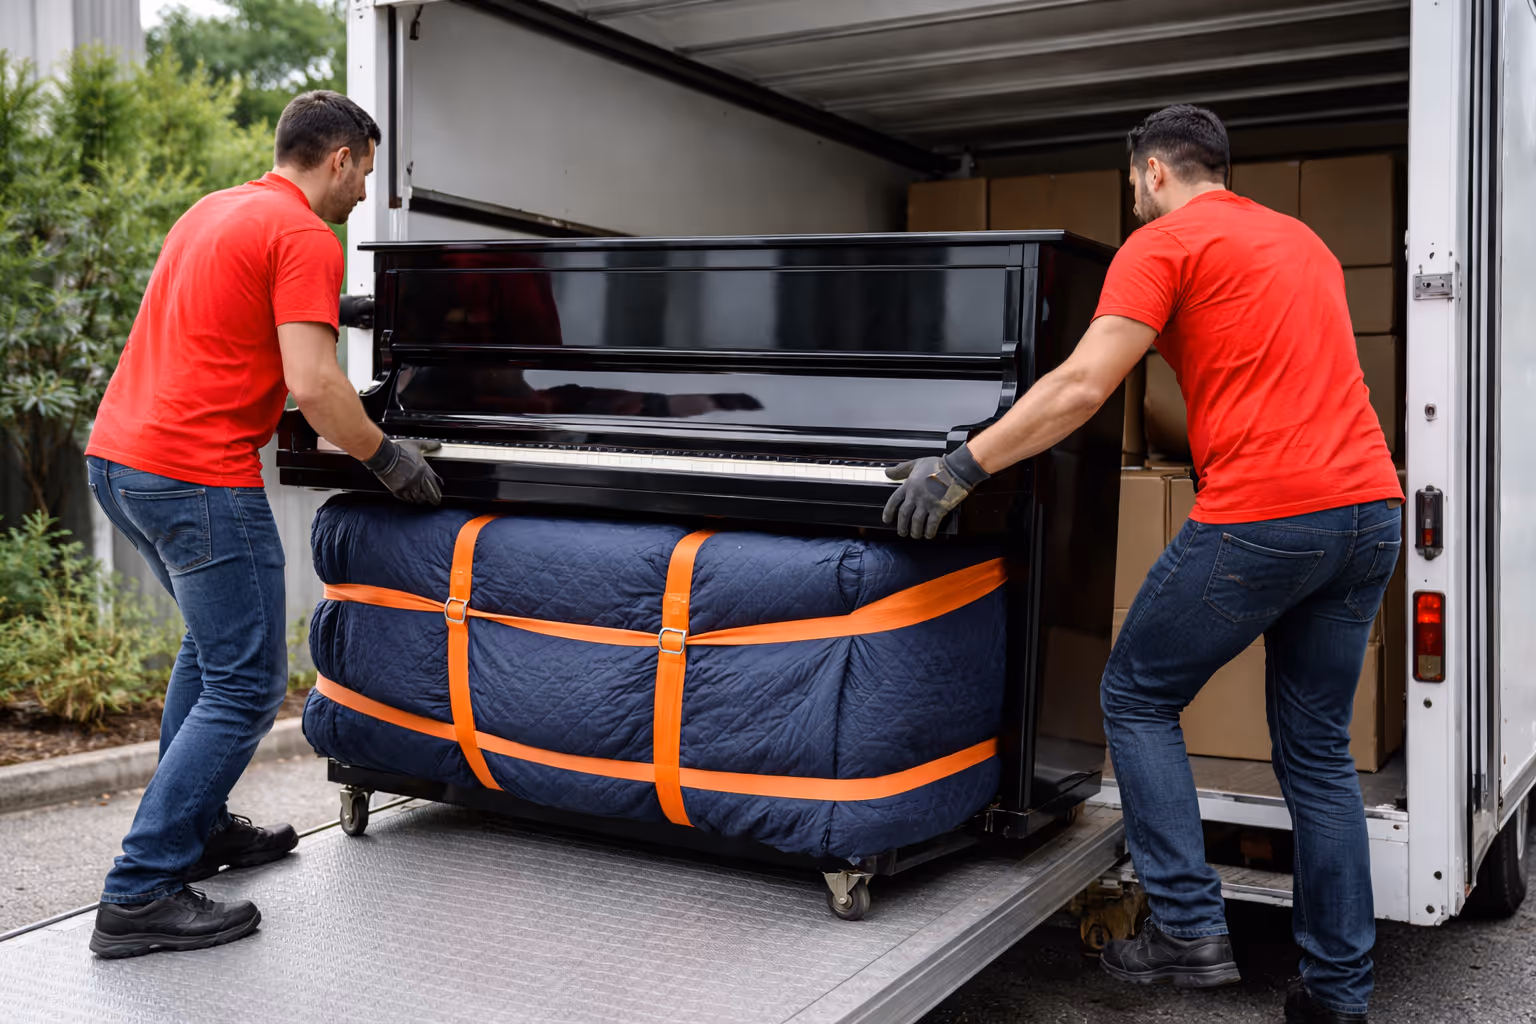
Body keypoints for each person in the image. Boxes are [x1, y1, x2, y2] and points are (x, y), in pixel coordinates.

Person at [883, 104, 1402, 1023]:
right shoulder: (1302, 242)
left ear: (1154, 172)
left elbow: (1084, 385)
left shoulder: (1163, 243)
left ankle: (1188, 926)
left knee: (1133, 692)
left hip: (1267, 515)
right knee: (1317, 756)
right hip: (1367, 512)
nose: (1134, 197)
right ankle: (1337, 998)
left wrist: (963, 466)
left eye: (1132, 183)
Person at [83, 90, 442, 959]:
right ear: (342, 157)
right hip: (194, 475)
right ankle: (140, 890)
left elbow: (231, 351)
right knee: (247, 684)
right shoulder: (303, 236)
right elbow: (317, 389)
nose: (362, 195)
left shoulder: (215, 210)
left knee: (211, 657)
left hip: (118, 460)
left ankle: (197, 833)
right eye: (364, 173)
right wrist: (388, 456)